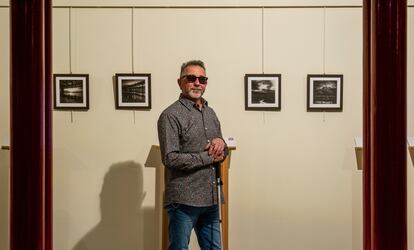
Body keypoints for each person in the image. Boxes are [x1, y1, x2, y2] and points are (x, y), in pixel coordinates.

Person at [157, 60, 228, 250]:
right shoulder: (170, 115)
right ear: (179, 82)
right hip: (183, 201)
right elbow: (170, 158)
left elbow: (221, 149)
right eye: (191, 78)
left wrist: (223, 144)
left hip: (211, 199)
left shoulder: (211, 113)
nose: (197, 83)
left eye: (202, 79)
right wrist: (208, 157)